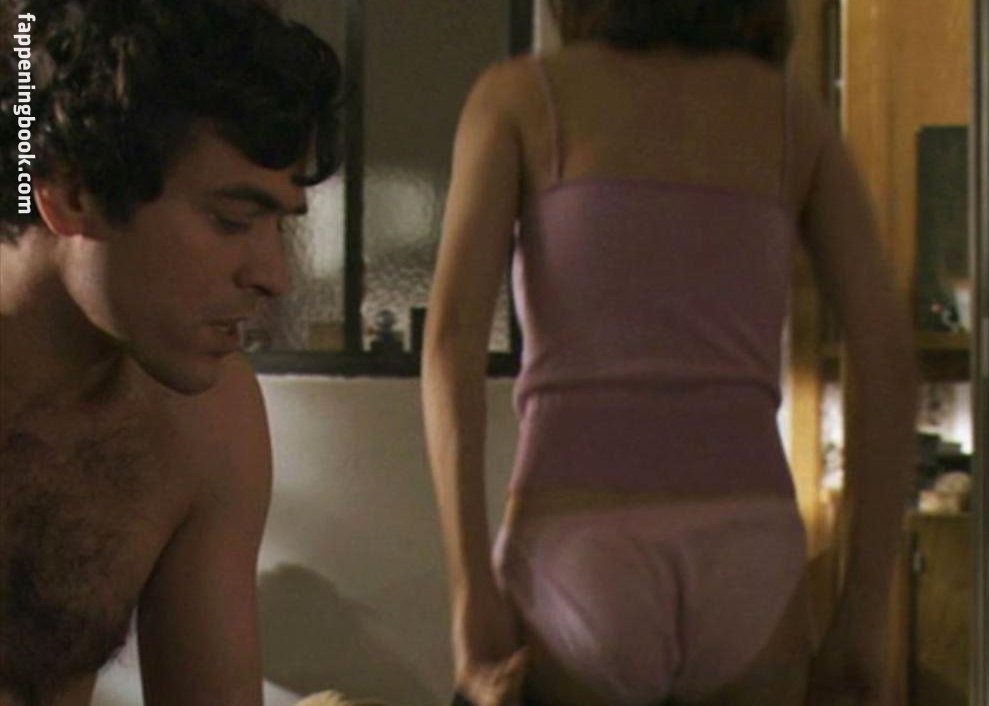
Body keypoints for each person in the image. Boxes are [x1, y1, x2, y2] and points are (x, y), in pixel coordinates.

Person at [422, 1, 918, 704]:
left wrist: (469, 594)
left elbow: (451, 343)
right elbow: (887, 357)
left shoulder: (520, 98)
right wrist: (862, 616)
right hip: (748, 552)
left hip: (579, 545)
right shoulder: (791, 115)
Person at [0, 1, 342, 704]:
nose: (274, 277)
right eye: (232, 220)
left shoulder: (207, 422)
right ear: (73, 193)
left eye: (278, 225)